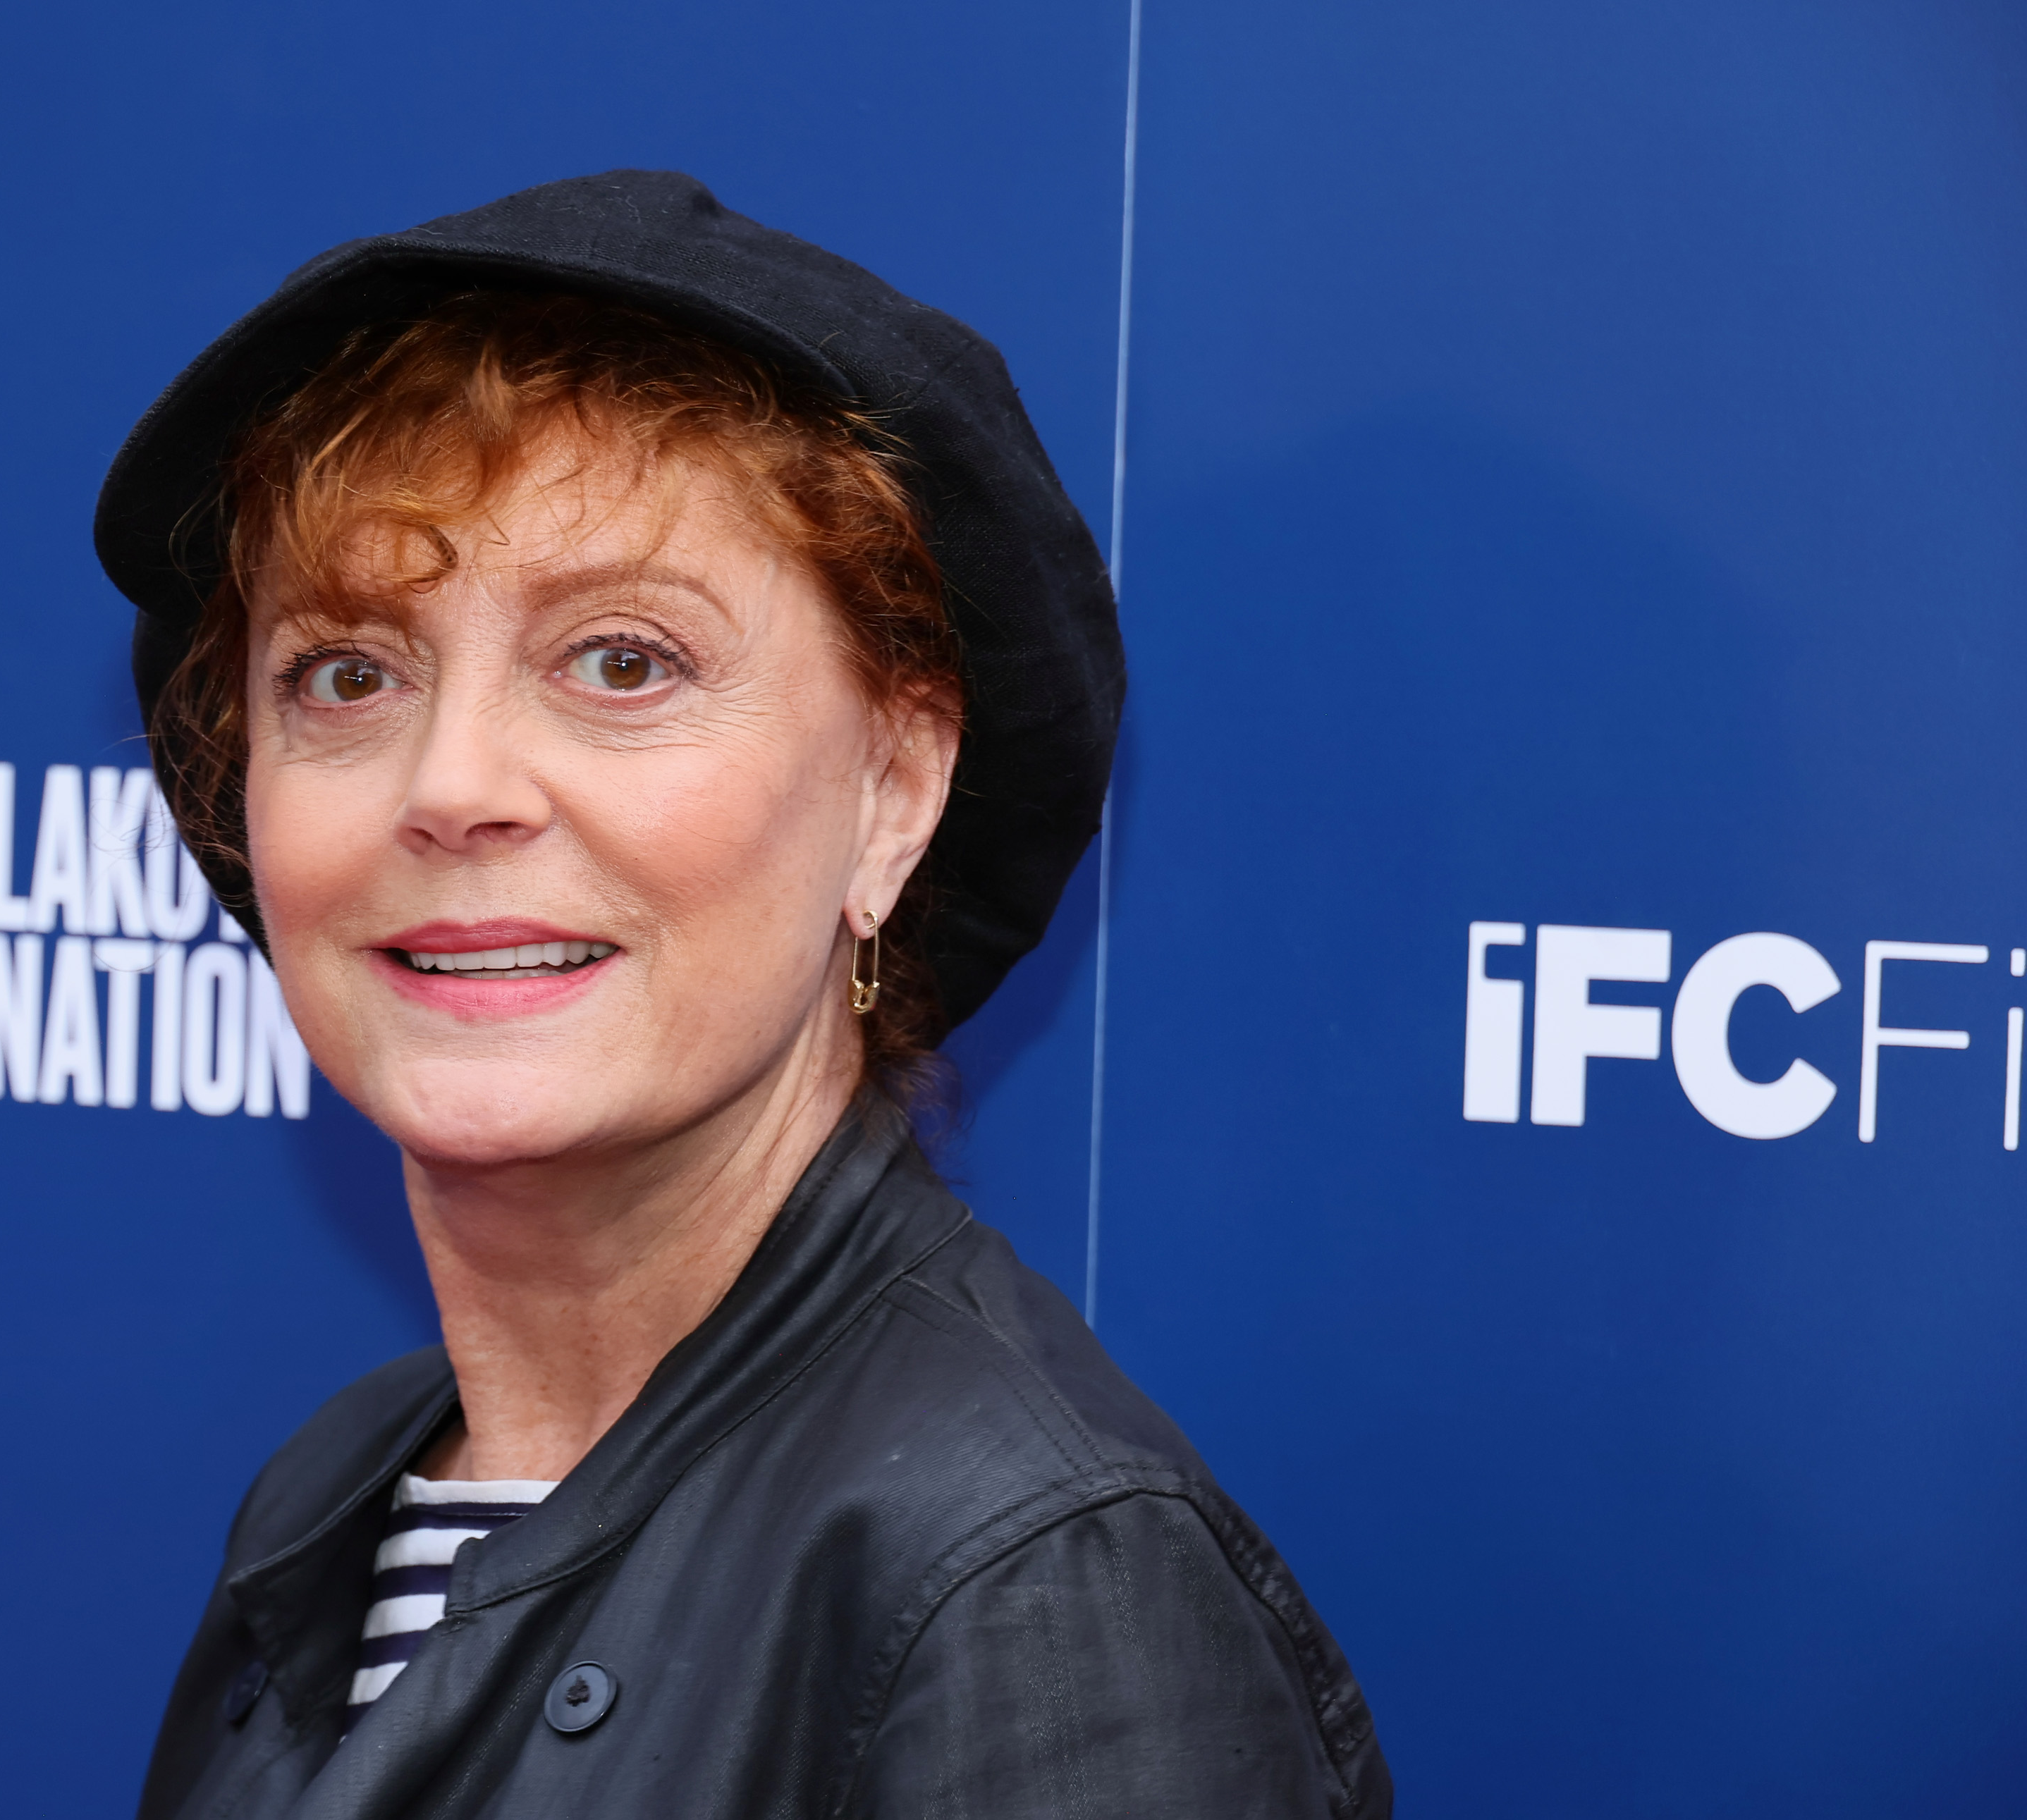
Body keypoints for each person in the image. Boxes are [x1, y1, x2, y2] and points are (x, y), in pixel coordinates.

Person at [94, 171, 1390, 1820]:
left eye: (623, 660)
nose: (455, 783)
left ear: (892, 792)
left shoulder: (1030, 1585)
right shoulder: (343, 1489)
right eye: (348, 673)